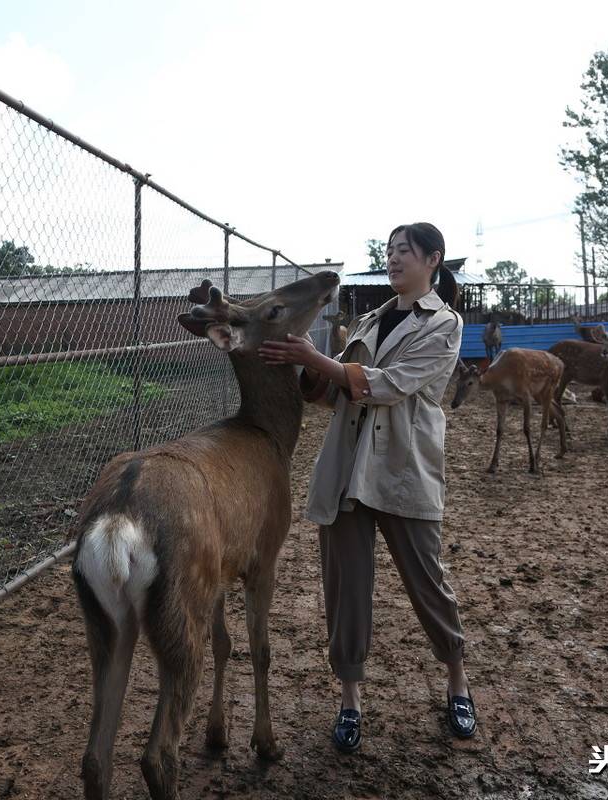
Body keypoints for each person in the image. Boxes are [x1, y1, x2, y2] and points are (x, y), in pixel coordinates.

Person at [257, 222, 475, 753]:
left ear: (433, 259)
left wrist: (319, 361)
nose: (394, 259)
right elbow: (337, 394)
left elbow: (392, 385)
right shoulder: (369, 319)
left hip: (403, 470)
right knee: (346, 590)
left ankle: (457, 682)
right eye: (389, 251)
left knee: (428, 582)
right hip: (347, 468)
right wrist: (305, 367)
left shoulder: (444, 324)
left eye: (404, 251)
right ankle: (350, 700)